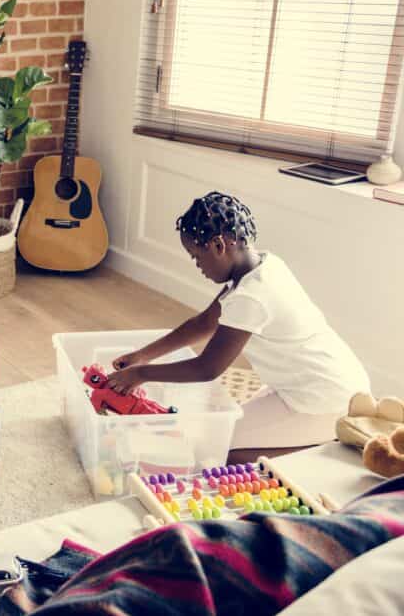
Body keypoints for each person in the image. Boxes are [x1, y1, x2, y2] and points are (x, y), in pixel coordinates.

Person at [106, 191, 369, 462]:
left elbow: (207, 368)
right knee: (219, 435)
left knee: (222, 455)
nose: (198, 266)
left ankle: (326, 448)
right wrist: (143, 355)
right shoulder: (264, 265)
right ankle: (320, 433)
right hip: (320, 383)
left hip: (323, 399)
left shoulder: (251, 297)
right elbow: (205, 322)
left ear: (219, 246)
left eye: (197, 256)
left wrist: (142, 374)